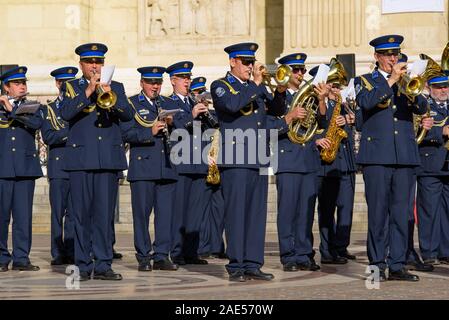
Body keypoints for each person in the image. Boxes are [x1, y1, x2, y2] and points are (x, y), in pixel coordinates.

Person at [210, 43, 302, 282]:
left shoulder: (255, 88)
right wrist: (257, 84)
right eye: (246, 63)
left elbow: (273, 114)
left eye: (252, 63)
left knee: (256, 213)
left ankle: (252, 263)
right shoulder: (221, 86)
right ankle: (236, 265)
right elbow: (232, 106)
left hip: (258, 157)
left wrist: (280, 91)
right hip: (236, 158)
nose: (251, 67)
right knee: (237, 213)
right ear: (233, 62)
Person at [355, 35, 433, 282]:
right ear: (377, 57)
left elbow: (421, 107)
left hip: (404, 157)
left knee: (401, 214)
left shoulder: (405, 83)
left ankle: (398, 264)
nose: (393, 59)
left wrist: (412, 87)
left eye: (395, 54)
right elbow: (366, 103)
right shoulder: (365, 81)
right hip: (377, 157)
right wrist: (391, 81)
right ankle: (376, 266)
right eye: (388, 55)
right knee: (378, 214)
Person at [60, 43, 133, 281]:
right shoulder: (71, 87)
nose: (94, 66)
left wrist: (108, 92)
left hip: (108, 161)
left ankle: (103, 264)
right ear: (81, 64)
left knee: (103, 216)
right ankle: (82, 264)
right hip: (81, 160)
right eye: (90, 62)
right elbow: (66, 113)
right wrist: (89, 92)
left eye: (98, 62)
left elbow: (128, 115)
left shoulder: (117, 87)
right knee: (81, 215)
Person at [121, 66, 178, 271]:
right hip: (143, 167)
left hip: (166, 166)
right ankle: (144, 256)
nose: (155, 86)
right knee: (142, 215)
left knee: (165, 216)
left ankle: (162, 254)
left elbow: (183, 131)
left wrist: (174, 124)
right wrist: (149, 131)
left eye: (158, 83)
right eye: (151, 82)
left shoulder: (168, 103)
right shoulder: (132, 104)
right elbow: (126, 133)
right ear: (142, 83)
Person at [273, 53, 327, 272]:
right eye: (295, 70)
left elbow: (321, 122)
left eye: (302, 70)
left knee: (306, 210)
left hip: (308, 158)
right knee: (287, 210)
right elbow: (271, 121)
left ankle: (305, 254)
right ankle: (288, 255)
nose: (300, 74)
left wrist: (322, 100)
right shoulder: (278, 96)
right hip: (287, 158)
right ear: (286, 72)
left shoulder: (311, 96)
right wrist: (291, 116)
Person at [309, 63, 358, 265]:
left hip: (344, 161)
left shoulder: (343, 104)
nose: (336, 89)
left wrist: (350, 119)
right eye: (332, 85)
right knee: (327, 210)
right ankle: (327, 250)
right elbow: (314, 127)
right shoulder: (315, 103)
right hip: (325, 163)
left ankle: (340, 246)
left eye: (338, 86)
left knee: (346, 208)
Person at [0, 66, 43, 272]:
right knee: (1, 216)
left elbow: (37, 124)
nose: (22, 86)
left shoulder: (33, 106)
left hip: (25, 168)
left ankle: (21, 257)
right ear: (6, 87)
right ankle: (1, 258)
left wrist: (12, 110)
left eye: (23, 83)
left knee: (23, 216)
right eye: (17, 83)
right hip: (3, 168)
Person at [41, 66, 78, 265]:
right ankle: (57, 252)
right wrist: (70, 134)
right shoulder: (49, 109)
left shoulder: (81, 106)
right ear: (57, 84)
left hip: (77, 166)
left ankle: (71, 250)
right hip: (58, 168)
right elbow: (48, 136)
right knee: (57, 213)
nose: (66, 86)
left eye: (70, 82)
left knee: (73, 213)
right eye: (63, 83)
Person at [416, 72, 449, 266]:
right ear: (430, 88)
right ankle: (429, 251)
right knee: (429, 210)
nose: (443, 90)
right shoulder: (424, 106)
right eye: (438, 87)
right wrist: (441, 131)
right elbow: (416, 132)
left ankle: (446, 250)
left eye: (446, 86)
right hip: (430, 164)